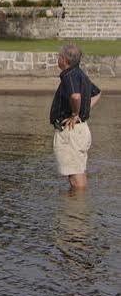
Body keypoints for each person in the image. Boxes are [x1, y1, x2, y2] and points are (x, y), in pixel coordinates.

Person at [49, 43, 102, 190]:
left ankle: (76, 210)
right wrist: (84, 109)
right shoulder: (80, 74)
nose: (58, 59)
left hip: (71, 132)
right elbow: (97, 93)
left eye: (59, 56)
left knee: (75, 179)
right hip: (80, 130)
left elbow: (76, 96)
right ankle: (77, 208)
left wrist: (75, 114)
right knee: (78, 172)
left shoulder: (69, 75)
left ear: (65, 60)